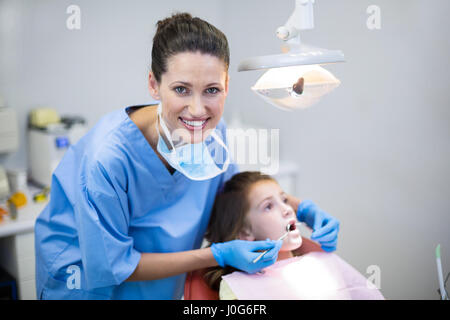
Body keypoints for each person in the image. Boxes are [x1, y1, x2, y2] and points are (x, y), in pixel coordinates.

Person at [34, 12, 340, 300]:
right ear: (154, 84)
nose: (197, 109)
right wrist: (215, 256)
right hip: (87, 284)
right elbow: (115, 265)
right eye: (181, 89)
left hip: (163, 280)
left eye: (211, 90)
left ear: (227, 86)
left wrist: (301, 208)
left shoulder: (211, 132)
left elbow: (234, 193)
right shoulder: (108, 159)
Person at [204, 172, 382, 300]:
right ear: (245, 232)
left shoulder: (323, 261)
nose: (288, 209)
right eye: (268, 206)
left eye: (284, 200)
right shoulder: (238, 288)